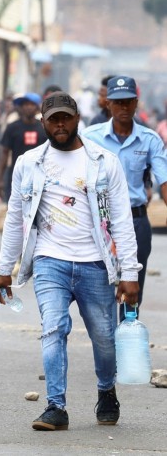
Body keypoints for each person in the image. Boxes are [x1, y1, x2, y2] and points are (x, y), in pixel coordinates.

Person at [0, 91, 141, 431]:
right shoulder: (29, 163)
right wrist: (5, 269)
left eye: (66, 118)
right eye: (53, 119)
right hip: (50, 261)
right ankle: (55, 406)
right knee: (53, 329)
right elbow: (15, 217)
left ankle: (106, 390)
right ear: (43, 122)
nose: (60, 125)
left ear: (77, 120)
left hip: (95, 263)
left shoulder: (104, 162)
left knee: (104, 337)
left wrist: (129, 273)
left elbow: (121, 220)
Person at [82, 76, 167, 320]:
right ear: (108, 104)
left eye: (128, 102)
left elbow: (164, 182)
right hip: (100, 221)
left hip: (135, 221)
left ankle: (127, 344)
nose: (123, 108)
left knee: (131, 290)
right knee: (101, 287)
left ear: (136, 103)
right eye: (118, 103)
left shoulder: (150, 139)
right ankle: (106, 344)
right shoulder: (89, 137)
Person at [0, 92, 46, 202]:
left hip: (38, 177)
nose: (28, 107)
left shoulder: (44, 128)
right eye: (25, 105)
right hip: (16, 176)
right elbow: (4, 153)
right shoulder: (12, 128)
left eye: (31, 104)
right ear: (21, 107)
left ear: (37, 107)